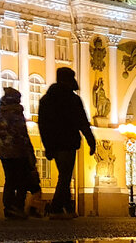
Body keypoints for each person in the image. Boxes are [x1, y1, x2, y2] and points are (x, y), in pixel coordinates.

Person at [37, 67, 96, 219]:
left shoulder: (46, 100)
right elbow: (82, 121)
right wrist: (90, 139)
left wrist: (47, 145)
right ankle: (56, 208)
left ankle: (67, 207)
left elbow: (42, 125)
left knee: (65, 174)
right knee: (65, 175)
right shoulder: (73, 99)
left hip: (54, 143)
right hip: (68, 142)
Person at [0, 87, 44, 219]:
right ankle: (18, 207)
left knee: (9, 179)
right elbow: (23, 135)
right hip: (19, 152)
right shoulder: (16, 115)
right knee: (21, 180)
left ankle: (8, 207)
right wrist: (30, 154)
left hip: (4, 153)